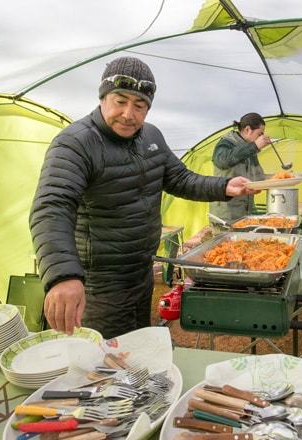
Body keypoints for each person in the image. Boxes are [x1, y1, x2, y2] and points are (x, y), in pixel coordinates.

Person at [29, 56, 256, 339]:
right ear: (103, 98)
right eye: (120, 101)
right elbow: (52, 208)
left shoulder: (151, 136)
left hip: (141, 275)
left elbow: (180, 178)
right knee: (102, 367)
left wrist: (225, 186)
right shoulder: (75, 144)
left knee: (136, 355)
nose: (128, 114)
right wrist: (63, 275)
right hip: (100, 287)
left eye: (139, 106)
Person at [209, 113, 271, 223]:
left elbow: (258, 177)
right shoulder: (226, 143)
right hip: (225, 215)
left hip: (245, 212)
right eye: (259, 134)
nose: (262, 137)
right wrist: (255, 146)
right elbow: (222, 161)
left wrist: (277, 179)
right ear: (248, 129)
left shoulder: (250, 150)